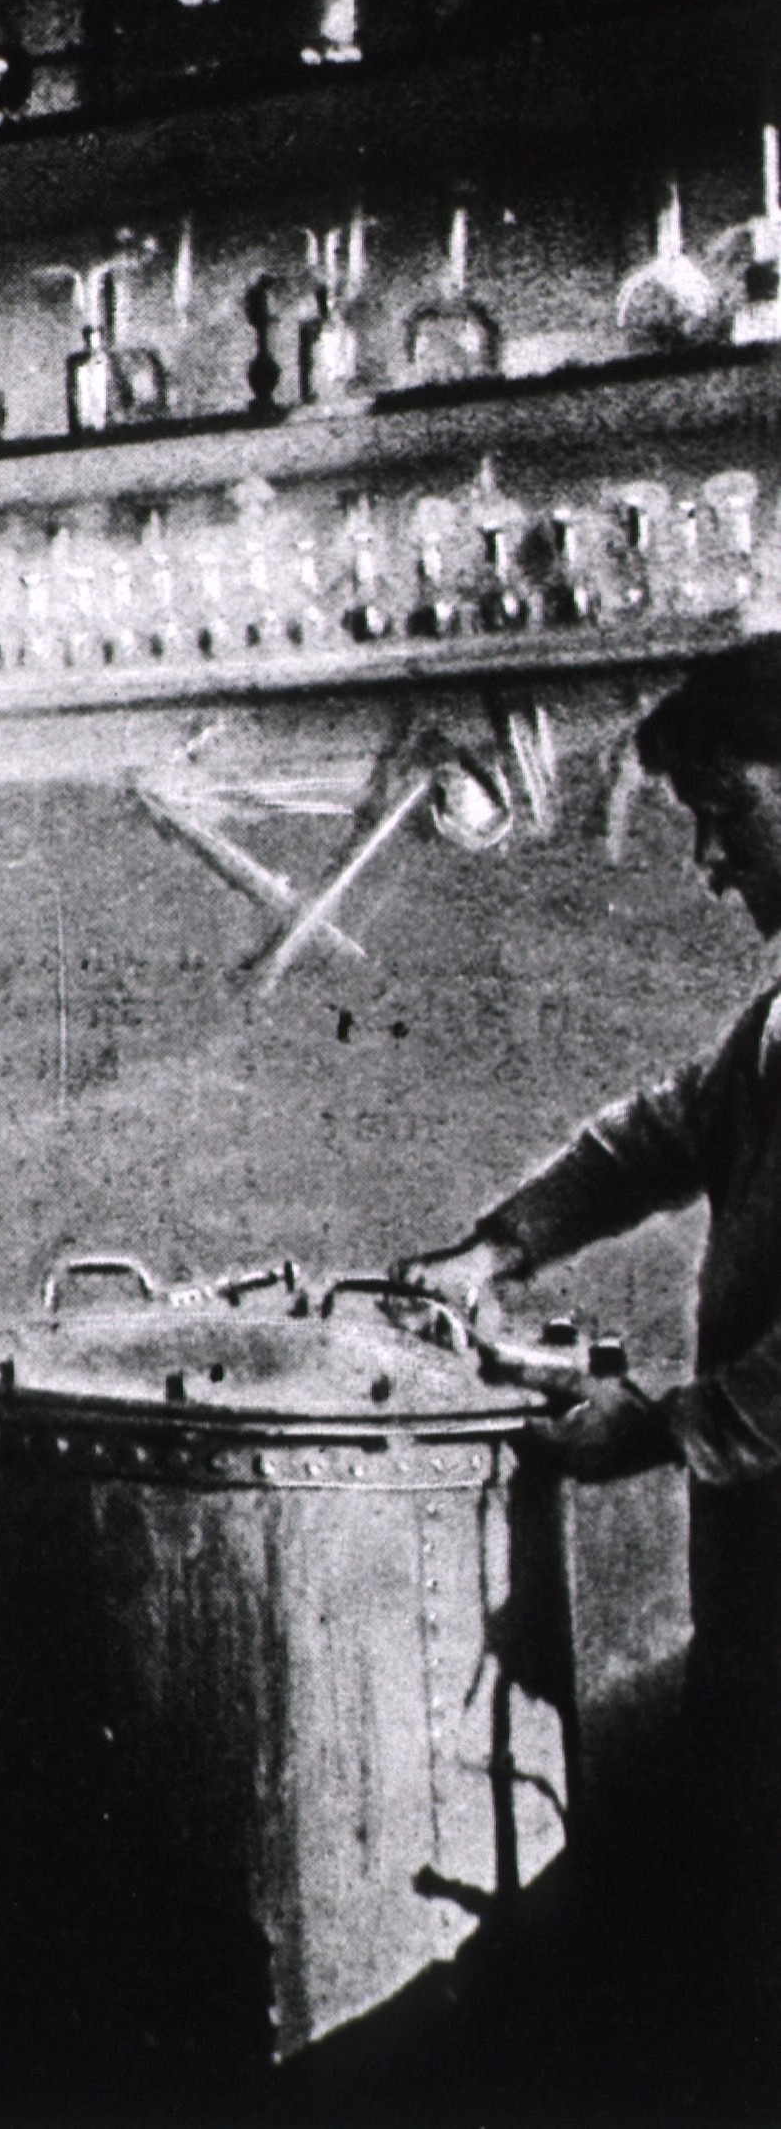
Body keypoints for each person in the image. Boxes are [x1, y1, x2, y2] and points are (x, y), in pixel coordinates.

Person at [399, 635, 781, 2082]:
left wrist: (670, 1426)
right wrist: (494, 1248)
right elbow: (659, 1133)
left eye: (728, 811)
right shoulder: (779, 1026)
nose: (709, 857)